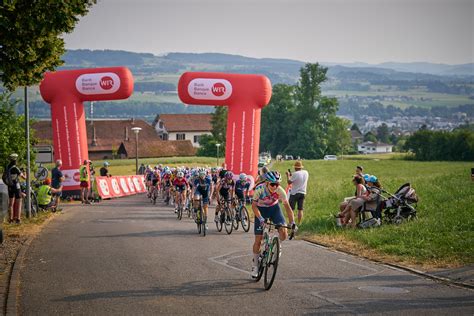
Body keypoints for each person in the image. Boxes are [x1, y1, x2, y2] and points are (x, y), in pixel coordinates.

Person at [251, 171, 296, 278]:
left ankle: (278, 245)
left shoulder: (280, 191)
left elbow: (288, 208)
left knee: (284, 232)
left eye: (277, 184)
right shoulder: (259, 189)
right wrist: (260, 218)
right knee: (258, 240)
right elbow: (253, 206)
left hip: (274, 209)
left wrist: (292, 223)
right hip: (260, 210)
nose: (275, 187)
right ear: (267, 182)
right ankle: (255, 266)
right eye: (272, 184)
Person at [286, 160, 309, 225]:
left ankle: (291, 223)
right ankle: (299, 223)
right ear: (301, 167)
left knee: (291, 209)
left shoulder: (295, 174)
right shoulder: (306, 172)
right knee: (300, 209)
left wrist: (288, 175)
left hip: (294, 193)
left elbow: (289, 182)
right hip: (303, 192)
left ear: (295, 167)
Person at [5, 154, 25, 224]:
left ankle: (10, 219)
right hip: (16, 186)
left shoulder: (7, 167)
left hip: (10, 186)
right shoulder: (15, 168)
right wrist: (24, 172)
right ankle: (18, 219)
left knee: (11, 203)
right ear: (15, 160)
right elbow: (24, 177)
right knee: (19, 201)